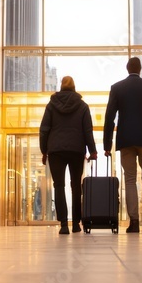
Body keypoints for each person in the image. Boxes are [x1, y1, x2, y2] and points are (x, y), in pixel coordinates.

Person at [103, 57, 142, 233]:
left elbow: (109, 117)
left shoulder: (117, 88)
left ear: (127, 68)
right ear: (140, 69)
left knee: (130, 180)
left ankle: (133, 222)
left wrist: (107, 145)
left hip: (126, 140)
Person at [40, 76, 98, 235]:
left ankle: (64, 224)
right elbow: (87, 131)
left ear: (61, 86)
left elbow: (44, 129)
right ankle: (76, 224)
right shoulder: (82, 106)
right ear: (74, 86)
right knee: (75, 186)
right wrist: (92, 150)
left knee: (58, 185)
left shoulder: (51, 105)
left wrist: (44, 150)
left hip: (56, 150)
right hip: (76, 150)